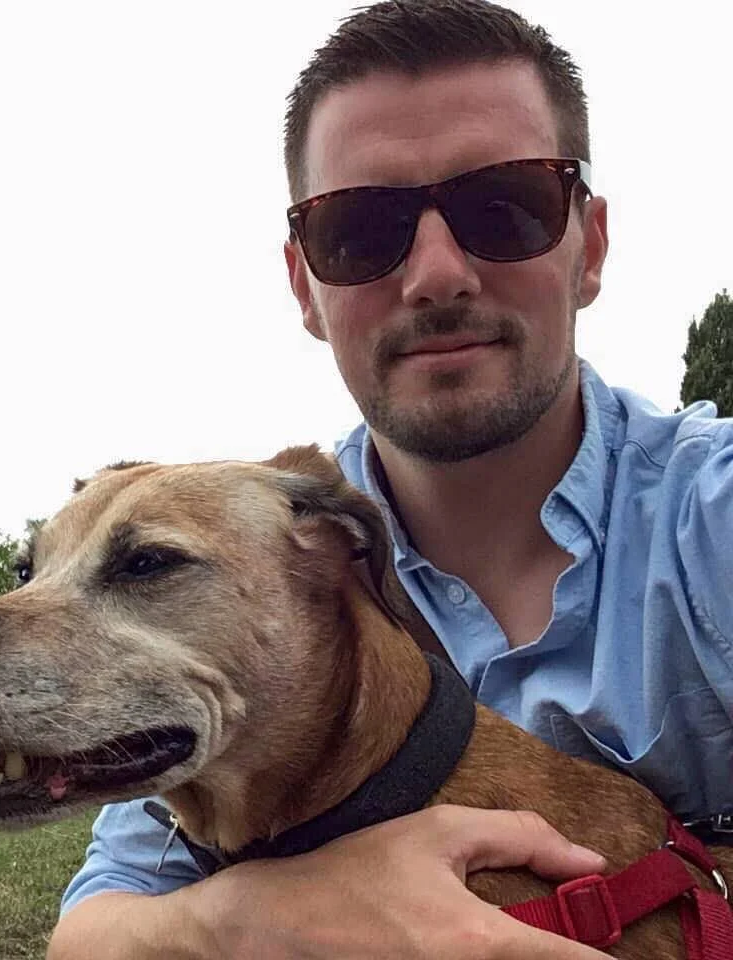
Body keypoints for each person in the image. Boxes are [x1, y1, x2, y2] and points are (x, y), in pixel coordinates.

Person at [46, 2, 733, 957]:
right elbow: (95, 931)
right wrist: (266, 913)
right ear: (305, 287)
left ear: (592, 248)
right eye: (363, 231)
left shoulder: (716, 518)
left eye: (505, 208)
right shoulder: (268, 566)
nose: (437, 275)